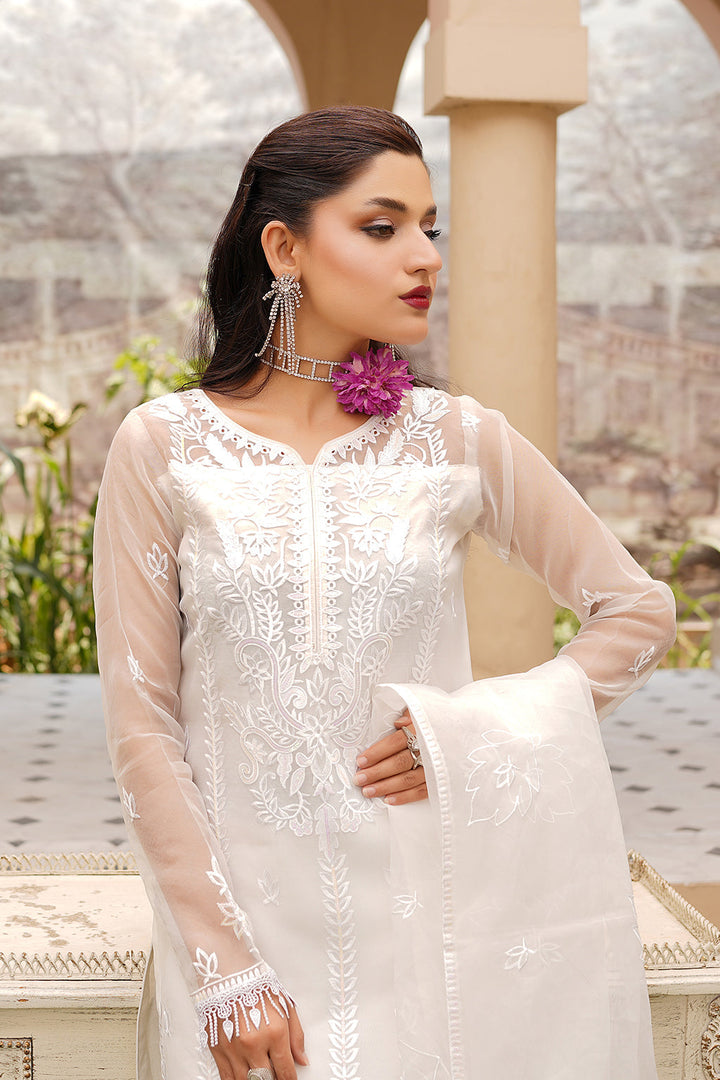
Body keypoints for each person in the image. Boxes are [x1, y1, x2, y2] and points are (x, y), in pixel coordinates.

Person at [93, 106, 676, 1080]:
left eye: (430, 228)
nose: (425, 257)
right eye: (381, 226)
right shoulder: (165, 449)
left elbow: (638, 611)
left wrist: (469, 736)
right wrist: (222, 961)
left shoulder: (455, 439)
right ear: (284, 248)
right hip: (245, 944)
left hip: (433, 920)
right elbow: (143, 722)